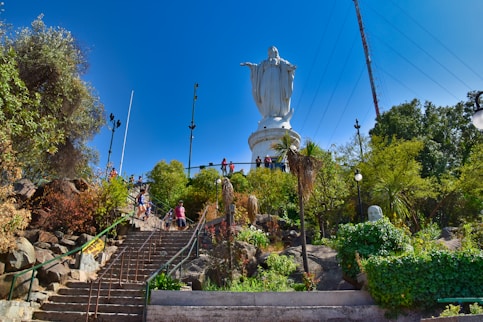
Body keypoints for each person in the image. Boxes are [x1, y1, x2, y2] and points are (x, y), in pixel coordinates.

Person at [241, 46, 296, 119]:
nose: (270, 53)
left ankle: (276, 113)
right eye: (269, 52)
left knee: (275, 94)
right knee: (265, 94)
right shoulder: (264, 62)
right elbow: (257, 68)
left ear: (275, 52)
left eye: (271, 52)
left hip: (276, 78)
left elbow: (286, 66)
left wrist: (291, 68)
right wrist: (251, 66)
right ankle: (267, 114)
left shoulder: (280, 61)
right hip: (265, 79)